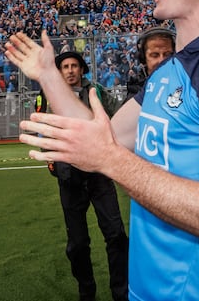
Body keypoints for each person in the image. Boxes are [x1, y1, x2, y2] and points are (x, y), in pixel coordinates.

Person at [7, 0, 199, 301]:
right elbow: (106, 137)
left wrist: (113, 161)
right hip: (147, 289)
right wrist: (48, 75)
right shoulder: (167, 74)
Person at [35, 50, 128, 301]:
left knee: (116, 236)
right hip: (69, 177)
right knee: (77, 244)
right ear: (60, 71)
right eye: (65, 66)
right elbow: (44, 129)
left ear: (81, 69)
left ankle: (121, 293)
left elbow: (119, 116)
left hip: (99, 174)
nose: (70, 70)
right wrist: (50, 156)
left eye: (74, 65)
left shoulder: (95, 91)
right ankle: (86, 291)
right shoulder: (48, 95)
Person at [125, 27, 176, 100]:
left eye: (167, 55)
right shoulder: (135, 93)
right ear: (143, 58)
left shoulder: (188, 85)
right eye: (155, 55)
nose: (162, 60)